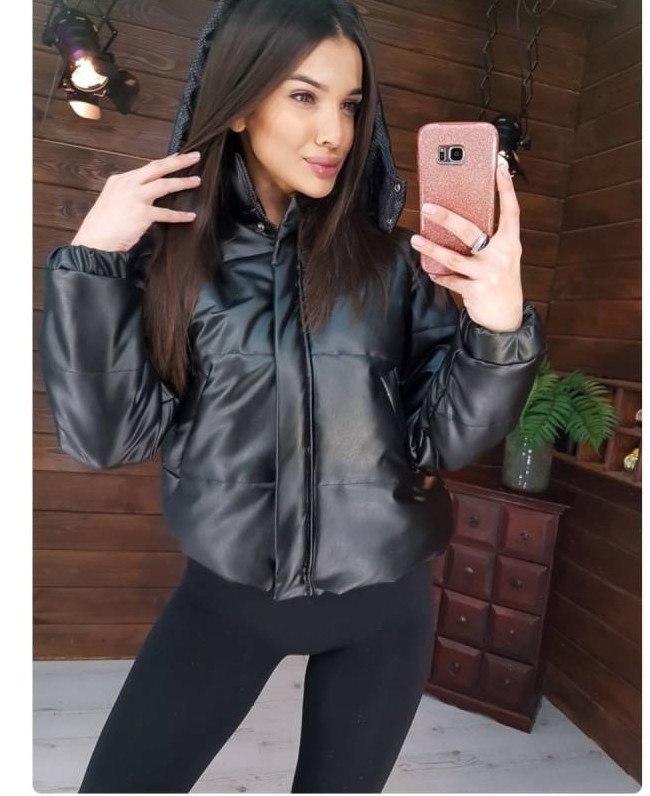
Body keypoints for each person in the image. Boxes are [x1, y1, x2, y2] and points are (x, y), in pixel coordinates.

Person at [38, 0, 547, 791]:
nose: (334, 132)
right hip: (227, 604)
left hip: (386, 609)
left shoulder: (391, 265)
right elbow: (107, 439)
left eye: (349, 104)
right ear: (241, 104)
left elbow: (442, 440)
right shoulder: (170, 261)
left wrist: (499, 327)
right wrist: (93, 259)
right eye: (304, 96)